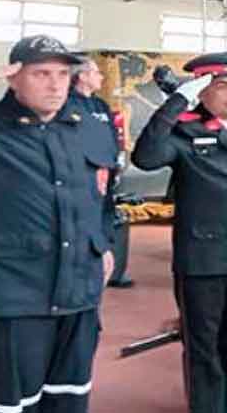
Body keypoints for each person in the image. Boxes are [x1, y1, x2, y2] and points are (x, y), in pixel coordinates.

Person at [132, 51, 227, 413]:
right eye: (222, 86)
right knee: (203, 350)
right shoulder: (184, 133)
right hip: (203, 262)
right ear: (201, 94)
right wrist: (178, 101)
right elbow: (144, 157)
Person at [0, 36, 116, 413]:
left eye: (63, 73)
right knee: (12, 406)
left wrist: (104, 242)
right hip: (13, 297)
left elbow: (103, 195)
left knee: (70, 401)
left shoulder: (89, 127)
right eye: (41, 73)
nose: (56, 84)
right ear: (13, 78)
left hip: (79, 294)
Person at [71, 58, 134, 288]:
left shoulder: (100, 106)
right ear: (82, 75)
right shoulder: (68, 105)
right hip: (82, 179)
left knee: (105, 217)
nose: (102, 77)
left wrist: (115, 165)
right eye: (96, 72)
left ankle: (107, 262)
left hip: (105, 176)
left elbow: (110, 137)